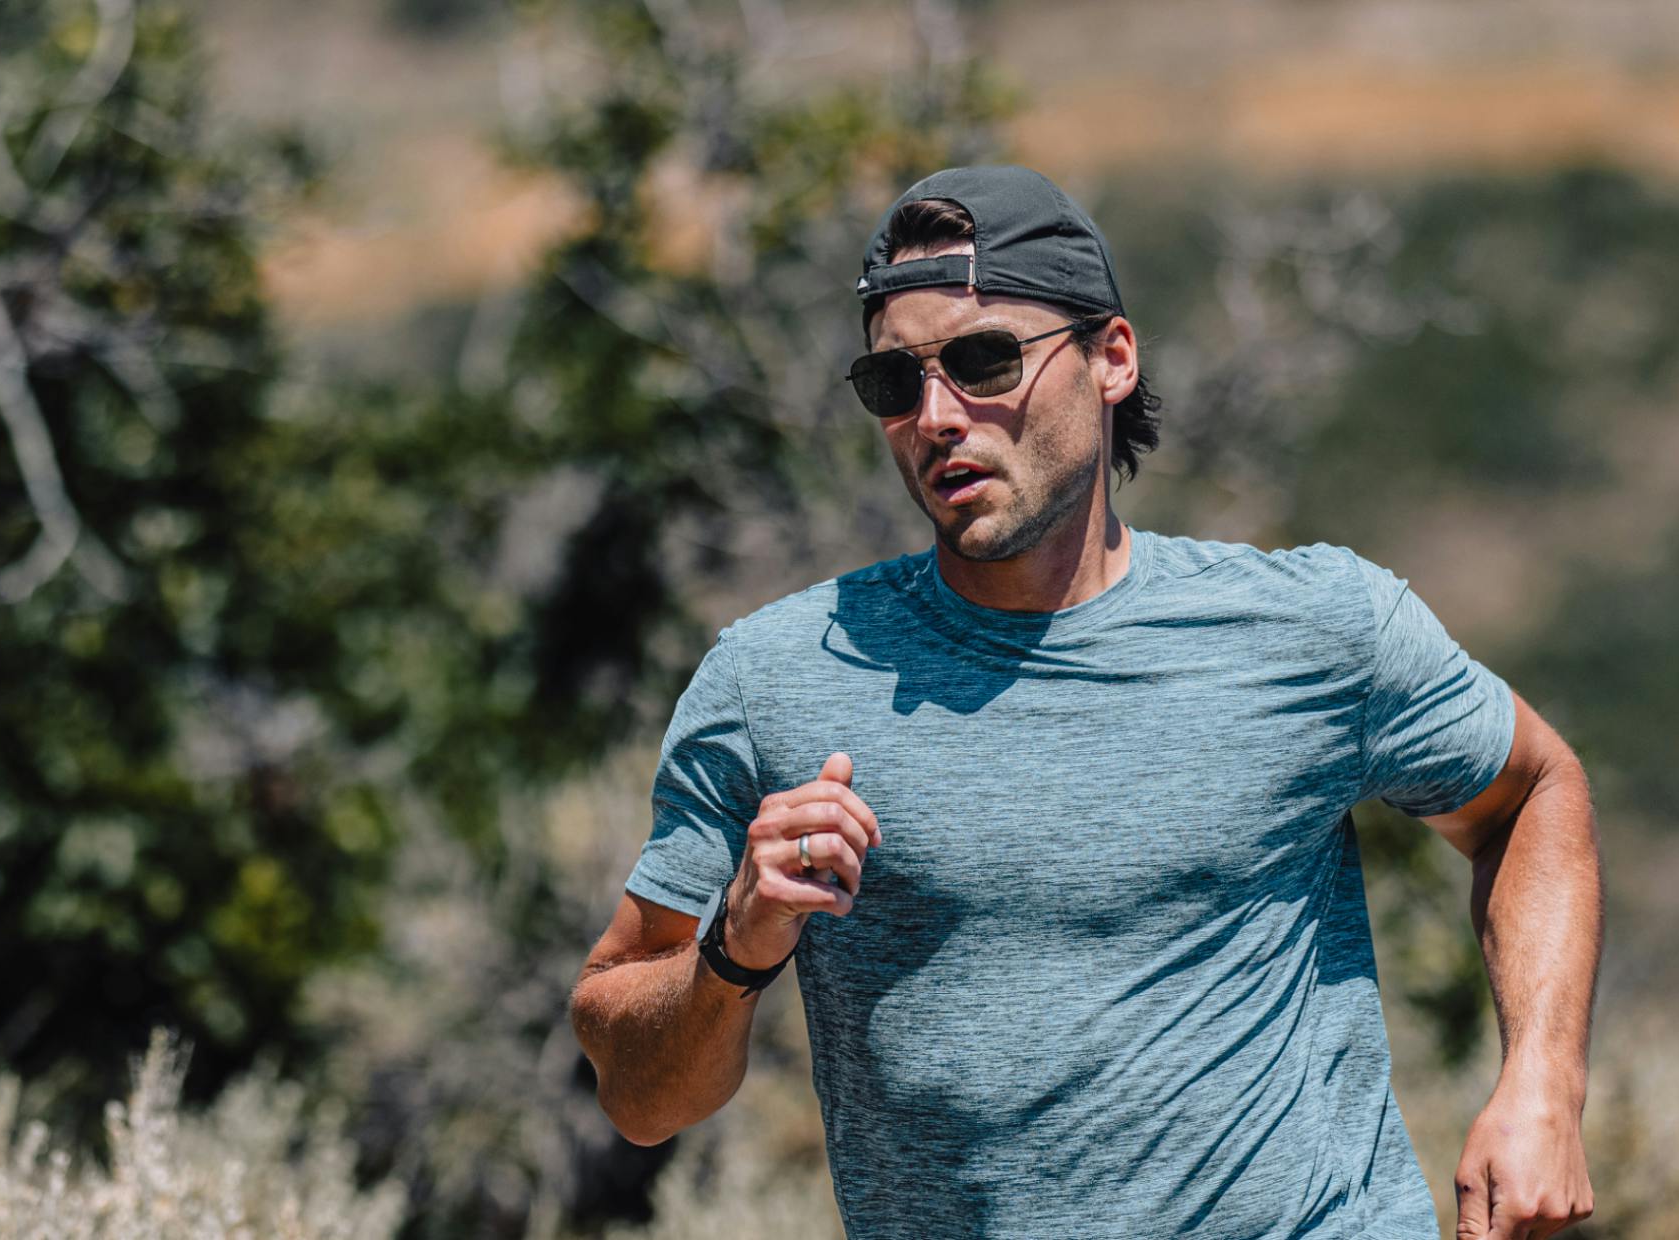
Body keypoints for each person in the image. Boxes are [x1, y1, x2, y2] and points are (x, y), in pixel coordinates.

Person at [566, 165, 1602, 1240]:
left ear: (1111, 357)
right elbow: (639, 1097)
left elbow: (1531, 793)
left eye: (983, 360)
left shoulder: (1315, 626)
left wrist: (1542, 1084)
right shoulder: (774, 678)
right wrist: (735, 942)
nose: (935, 416)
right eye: (893, 382)